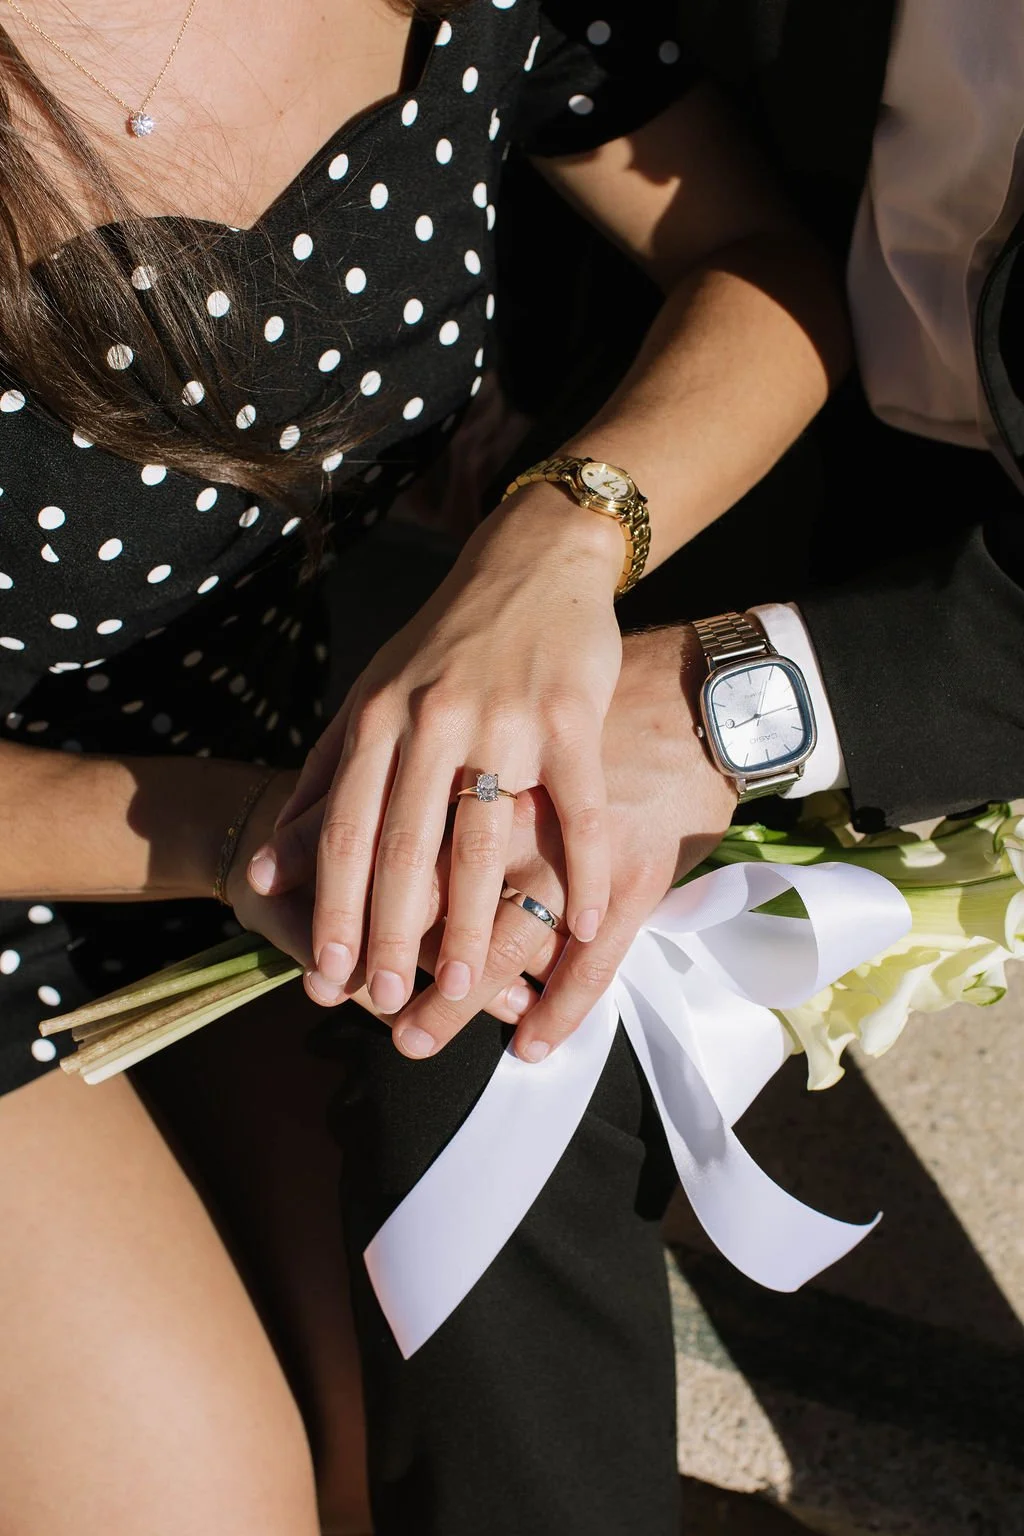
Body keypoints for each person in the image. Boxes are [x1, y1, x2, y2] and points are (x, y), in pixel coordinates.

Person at [0, 1, 849, 1533]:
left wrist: (563, 536)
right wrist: (252, 830)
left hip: (251, 794)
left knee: (421, 1440)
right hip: (155, 830)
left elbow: (762, 262)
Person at [252, 2, 1024, 1533]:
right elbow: (640, 120)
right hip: (831, 452)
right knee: (476, 925)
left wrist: (735, 700)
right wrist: (557, 513)